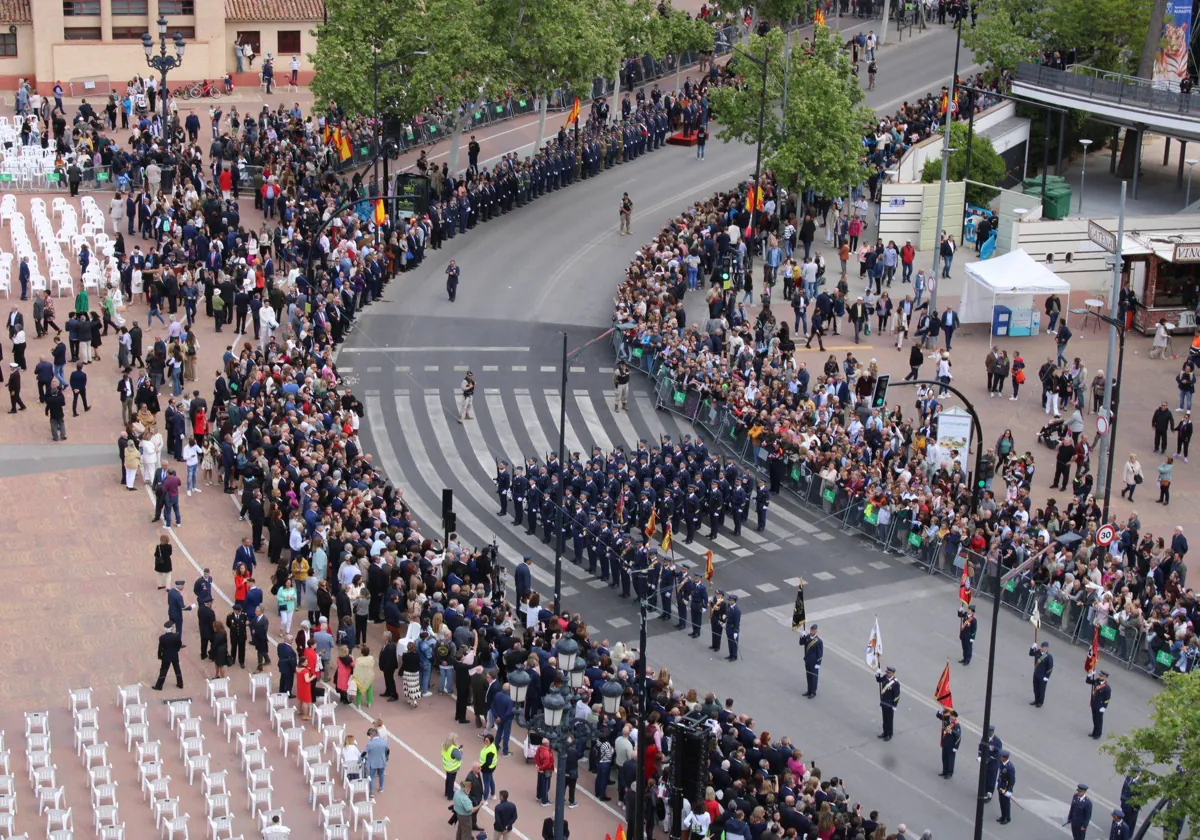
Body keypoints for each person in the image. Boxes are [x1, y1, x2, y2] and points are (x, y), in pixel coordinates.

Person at [363, 727, 390, 794]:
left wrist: (359, 760)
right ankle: (381, 787)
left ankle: (371, 792)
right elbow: (387, 751)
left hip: (373, 763)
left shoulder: (370, 744)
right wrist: (386, 758)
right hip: (382, 761)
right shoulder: (384, 742)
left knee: (371, 776)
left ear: (372, 735)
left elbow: (364, 753)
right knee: (381, 774)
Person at [876, 666, 900, 740]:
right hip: (884, 702)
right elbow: (879, 680)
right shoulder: (885, 678)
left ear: (892, 673)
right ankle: (885, 732)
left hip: (890, 704)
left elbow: (897, 696)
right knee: (884, 719)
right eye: (886, 672)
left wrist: (894, 705)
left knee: (889, 720)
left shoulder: (895, 683)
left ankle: (889, 734)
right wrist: (877, 674)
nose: (887, 674)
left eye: (888, 673)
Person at [935, 708, 960, 778]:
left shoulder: (956, 725)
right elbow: (938, 715)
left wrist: (956, 747)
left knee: (950, 759)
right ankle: (944, 771)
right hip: (945, 742)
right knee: (944, 757)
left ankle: (949, 773)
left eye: (953, 716)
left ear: (955, 717)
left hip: (951, 744)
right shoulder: (946, 719)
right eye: (951, 716)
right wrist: (942, 709)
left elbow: (958, 736)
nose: (951, 717)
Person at [1086, 671, 1111, 739]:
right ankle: (1094, 732)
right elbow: (1088, 681)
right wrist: (1090, 675)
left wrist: (1104, 707)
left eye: (1102, 676)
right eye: (1100, 675)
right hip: (1094, 704)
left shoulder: (1107, 688)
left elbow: (1107, 699)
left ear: (1105, 678)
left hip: (1100, 706)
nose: (1100, 677)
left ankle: (1098, 734)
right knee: (1094, 719)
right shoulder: (1097, 681)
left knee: (1099, 720)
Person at [802, 623, 823, 697]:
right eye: (811, 630)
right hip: (807, 661)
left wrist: (818, 663)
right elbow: (801, 643)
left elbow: (820, 653)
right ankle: (809, 690)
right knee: (808, 676)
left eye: (813, 630)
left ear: (816, 631)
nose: (812, 631)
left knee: (814, 677)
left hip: (814, 663)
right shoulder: (807, 637)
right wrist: (802, 636)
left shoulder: (818, 641)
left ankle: (813, 692)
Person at [1030, 641, 1053, 707]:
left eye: (1046, 647)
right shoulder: (1038, 652)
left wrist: (1047, 677)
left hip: (1042, 676)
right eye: (1044, 647)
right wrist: (1032, 647)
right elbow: (1031, 654)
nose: (1045, 648)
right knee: (1035, 688)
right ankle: (1036, 700)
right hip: (1036, 674)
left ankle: (1040, 702)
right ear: (1041, 647)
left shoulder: (1049, 657)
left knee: (1041, 690)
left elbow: (1050, 668)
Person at [996, 750, 1016, 824]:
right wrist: (998, 782)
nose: (999, 757)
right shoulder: (1002, 764)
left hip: (1006, 788)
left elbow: (1012, 780)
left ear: (1004, 758)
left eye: (1001, 756)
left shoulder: (1010, 767)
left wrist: (1009, 790)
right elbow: (1001, 774)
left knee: (1006, 804)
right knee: (1001, 802)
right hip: (1001, 786)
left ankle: (1007, 818)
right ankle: (1003, 816)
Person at [442, 733, 464, 799]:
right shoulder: (454, 749)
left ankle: (447, 792)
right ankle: (450, 795)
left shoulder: (444, 745)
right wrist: (460, 751)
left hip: (447, 766)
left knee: (448, 779)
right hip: (453, 767)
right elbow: (459, 757)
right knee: (451, 781)